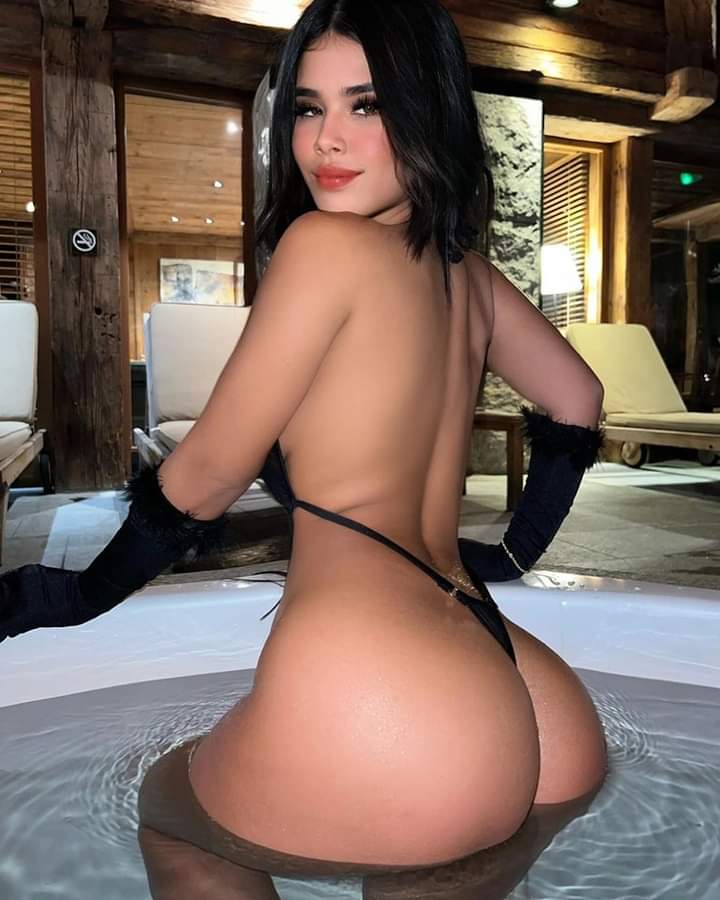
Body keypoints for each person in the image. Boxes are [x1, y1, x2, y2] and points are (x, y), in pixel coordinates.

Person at [0, 0, 608, 896]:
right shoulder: (472, 276)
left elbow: (207, 474)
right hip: (516, 689)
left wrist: (75, 595)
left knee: (172, 812)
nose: (326, 139)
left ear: (429, 109)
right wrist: (510, 555)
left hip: (373, 683)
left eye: (367, 104)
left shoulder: (323, 247)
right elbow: (577, 399)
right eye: (308, 108)